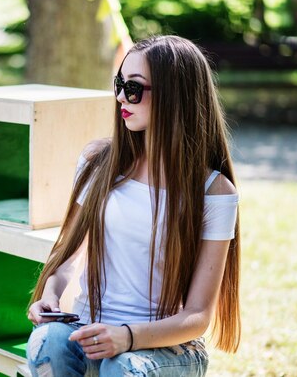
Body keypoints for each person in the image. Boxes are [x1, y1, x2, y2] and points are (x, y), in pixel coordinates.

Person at [25, 35, 241, 376]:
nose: (122, 97)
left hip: (163, 349)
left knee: (124, 368)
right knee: (46, 342)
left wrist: (126, 337)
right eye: (119, 84)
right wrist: (51, 295)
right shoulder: (98, 162)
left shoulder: (213, 191)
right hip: (90, 331)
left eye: (135, 89)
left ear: (174, 97)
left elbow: (197, 316)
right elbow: (67, 258)